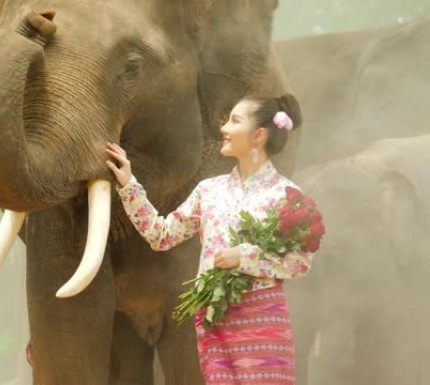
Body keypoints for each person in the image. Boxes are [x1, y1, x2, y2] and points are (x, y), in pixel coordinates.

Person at [106, 94, 315, 385]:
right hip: (213, 321)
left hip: (261, 319)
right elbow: (161, 235)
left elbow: (299, 262)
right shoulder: (209, 191)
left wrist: (245, 257)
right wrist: (129, 184)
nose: (224, 129)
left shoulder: (286, 196)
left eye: (235, 121)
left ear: (258, 135)